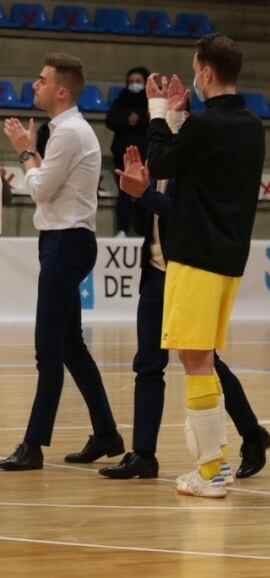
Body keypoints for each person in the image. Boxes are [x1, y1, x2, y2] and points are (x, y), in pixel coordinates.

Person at [104, 144, 270, 480]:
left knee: (206, 361)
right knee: (147, 364)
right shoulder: (156, 162)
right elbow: (145, 220)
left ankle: (252, 434)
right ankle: (144, 454)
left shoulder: (197, 163)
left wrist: (145, 193)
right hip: (155, 273)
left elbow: (183, 213)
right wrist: (134, 193)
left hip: (191, 272)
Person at [144, 33, 265, 498]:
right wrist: (179, 119)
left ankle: (211, 469)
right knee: (204, 357)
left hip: (195, 256)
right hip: (230, 256)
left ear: (206, 72)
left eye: (196, 68)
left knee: (193, 358)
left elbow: (161, 162)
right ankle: (214, 461)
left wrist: (160, 113)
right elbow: (196, 162)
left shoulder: (208, 125)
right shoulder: (252, 124)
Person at [0, 53, 124, 471]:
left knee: (47, 351)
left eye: (42, 80)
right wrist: (33, 153)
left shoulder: (70, 133)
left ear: (62, 90)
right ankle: (107, 433)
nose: (34, 85)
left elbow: (40, 190)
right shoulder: (66, 130)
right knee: (71, 347)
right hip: (63, 241)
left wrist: (24, 152)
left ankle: (33, 446)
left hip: (67, 243)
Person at [105, 66, 149, 237]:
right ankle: (122, 229)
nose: (134, 85)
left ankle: (143, 230)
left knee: (144, 194)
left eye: (138, 82)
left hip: (144, 155)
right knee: (124, 193)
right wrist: (126, 119)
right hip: (122, 156)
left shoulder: (149, 102)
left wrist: (139, 121)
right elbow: (110, 120)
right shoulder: (122, 99)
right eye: (131, 82)